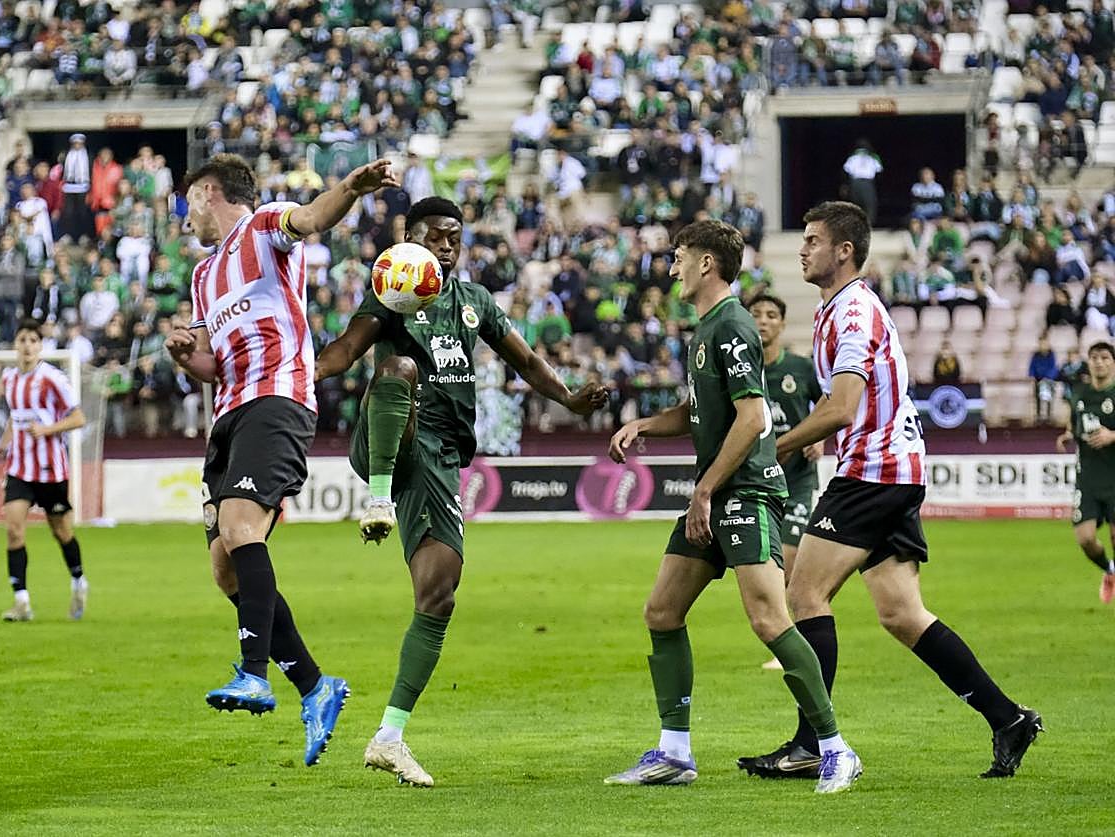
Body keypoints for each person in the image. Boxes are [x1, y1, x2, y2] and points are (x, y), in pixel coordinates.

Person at [738, 201, 1041, 782]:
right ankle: (1008, 719)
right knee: (902, 614)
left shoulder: (852, 313)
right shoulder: (838, 309)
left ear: (843, 250)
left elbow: (844, 406)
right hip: (892, 469)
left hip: (872, 472)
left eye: (812, 240)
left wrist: (772, 448)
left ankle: (812, 744)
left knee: (804, 597)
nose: (802, 249)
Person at [312, 196, 608, 787]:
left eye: (455, 237)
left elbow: (524, 360)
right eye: (435, 236)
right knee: (398, 371)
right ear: (408, 237)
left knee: (439, 593)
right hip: (390, 442)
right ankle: (376, 498)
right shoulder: (393, 293)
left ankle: (389, 736)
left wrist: (570, 396)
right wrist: (297, 372)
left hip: (441, 459)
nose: (447, 246)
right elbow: (348, 350)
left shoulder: (474, 303)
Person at [603, 222, 860, 793]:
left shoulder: (734, 325)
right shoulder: (707, 329)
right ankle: (674, 753)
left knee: (770, 619)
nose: (671, 267)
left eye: (679, 257)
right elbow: (699, 411)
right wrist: (644, 423)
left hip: (742, 493)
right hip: (718, 492)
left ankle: (835, 748)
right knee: (662, 612)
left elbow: (752, 418)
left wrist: (704, 491)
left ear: (706, 265)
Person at [164, 153, 400, 767]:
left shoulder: (264, 226)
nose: (186, 217)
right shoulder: (201, 277)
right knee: (227, 571)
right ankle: (316, 686)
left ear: (209, 192)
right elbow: (211, 365)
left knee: (243, 528)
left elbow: (313, 217)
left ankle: (253, 675)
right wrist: (184, 352)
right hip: (229, 414)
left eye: (189, 202)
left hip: (278, 398)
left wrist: (351, 185)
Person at [0, 319, 88, 622]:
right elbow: (14, 418)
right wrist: (5, 443)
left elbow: (78, 418)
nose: (28, 346)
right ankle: (21, 602)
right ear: (15, 345)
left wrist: (47, 429)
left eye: (33, 340)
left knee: (61, 531)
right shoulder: (9, 379)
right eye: (22, 340)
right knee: (14, 530)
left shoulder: (52, 379)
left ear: (40, 345)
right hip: (19, 467)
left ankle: (78, 581)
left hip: (50, 470)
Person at [748, 292, 824, 671]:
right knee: (765, 567)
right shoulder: (740, 371)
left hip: (796, 482)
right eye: (756, 314)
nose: (763, 320)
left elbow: (830, 404)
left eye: (771, 315)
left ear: (781, 323)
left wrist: (819, 437)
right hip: (754, 483)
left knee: (790, 562)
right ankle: (786, 640)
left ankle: (788, 645)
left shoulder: (800, 368)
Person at [1056, 342, 1115, 603]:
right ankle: (1110, 570)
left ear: (1112, 362)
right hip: (1088, 478)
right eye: (1094, 358)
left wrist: (1112, 435)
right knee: (1086, 539)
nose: (1099, 362)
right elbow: (1077, 421)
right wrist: (1069, 434)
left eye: (1104, 357)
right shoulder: (1079, 392)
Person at [843, 140, 882, 225]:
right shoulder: (873, 157)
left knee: (856, 205)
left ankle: (856, 224)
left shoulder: (852, 157)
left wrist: (845, 185)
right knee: (870, 204)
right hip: (867, 183)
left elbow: (846, 171)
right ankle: (868, 224)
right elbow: (879, 171)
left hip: (855, 182)